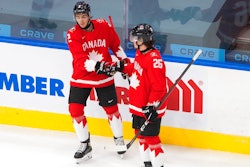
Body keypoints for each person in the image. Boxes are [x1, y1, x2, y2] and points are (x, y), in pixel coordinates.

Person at [66, 1, 129, 163]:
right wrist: (102, 66)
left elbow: (116, 46)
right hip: (81, 77)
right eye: (78, 17)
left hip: (103, 78)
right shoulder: (72, 34)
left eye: (84, 16)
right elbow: (81, 61)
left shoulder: (103, 25)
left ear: (89, 16)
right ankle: (85, 145)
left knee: (111, 109)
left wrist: (124, 64)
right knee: (75, 109)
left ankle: (119, 139)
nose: (81, 20)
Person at [97, 23, 168, 167]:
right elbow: (135, 69)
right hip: (138, 104)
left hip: (149, 107)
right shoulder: (141, 53)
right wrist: (119, 67)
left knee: (152, 138)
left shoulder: (154, 60)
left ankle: (159, 165)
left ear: (145, 39)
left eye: (137, 38)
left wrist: (151, 106)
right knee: (140, 135)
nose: (133, 40)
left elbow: (159, 87)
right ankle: (146, 163)